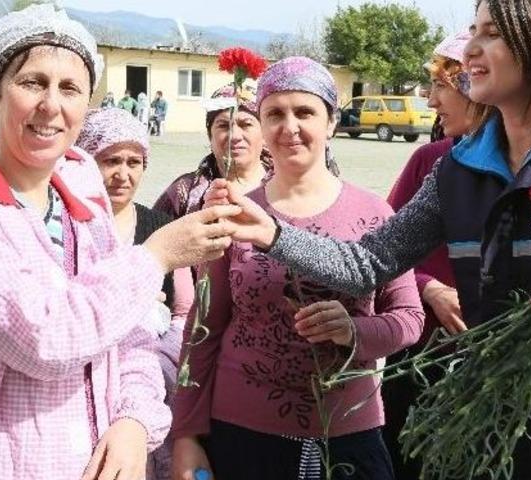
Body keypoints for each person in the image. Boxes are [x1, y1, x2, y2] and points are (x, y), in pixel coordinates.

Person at [204, 1, 531, 478]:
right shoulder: (457, 169)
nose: (469, 51)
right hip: (502, 444)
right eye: (474, 31)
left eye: (491, 34)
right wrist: (273, 234)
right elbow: (366, 263)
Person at [0, 5, 240, 479]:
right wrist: (157, 255)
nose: (51, 105)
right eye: (32, 83)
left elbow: (128, 334)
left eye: (70, 89)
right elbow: (46, 337)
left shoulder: (80, 195)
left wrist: (133, 419)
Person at [170, 56, 425, 480]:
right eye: (274, 114)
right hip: (241, 436)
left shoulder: (375, 213)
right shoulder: (236, 213)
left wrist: (352, 333)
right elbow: (203, 329)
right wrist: (186, 435)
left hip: (348, 435)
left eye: (304, 112)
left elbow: (409, 319)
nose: (289, 127)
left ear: (331, 122)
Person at [381, 29, 487, 480]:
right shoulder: (432, 160)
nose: (430, 101)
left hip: (493, 358)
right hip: (424, 351)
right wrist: (431, 289)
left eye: (441, 87)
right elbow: (382, 251)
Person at [76, 107, 194, 480]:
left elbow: (184, 311)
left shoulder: (161, 228)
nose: (122, 175)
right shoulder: (66, 225)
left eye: (134, 162)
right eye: (109, 160)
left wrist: (161, 357)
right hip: (81, 389)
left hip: (148, 387)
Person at [153, 81, 271, 221]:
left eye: (246, 124)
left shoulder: (288, 185)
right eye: (223, 126)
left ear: (264, 134)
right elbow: (154, 240)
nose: (235, 136)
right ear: (210, 136)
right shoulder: (182, 191)